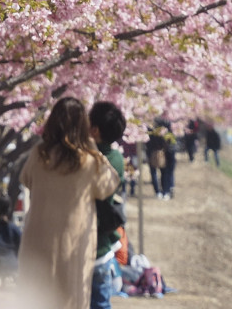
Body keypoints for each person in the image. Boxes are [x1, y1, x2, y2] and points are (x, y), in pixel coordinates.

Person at [18, 96, 121, 309]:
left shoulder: (39, 153)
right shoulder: (89, 160)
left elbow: (26, 179)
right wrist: (91, 145)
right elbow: (110, 184)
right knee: (70, 301)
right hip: (73, 243)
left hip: (37, 240)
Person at [89, 101, 127, 309]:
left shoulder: (86, 159)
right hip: (103, 248)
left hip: (84, 245)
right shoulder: (117, 159)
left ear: (94, 129)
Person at [145, 126, 169, 199]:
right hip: (160, 153)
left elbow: (147, 143)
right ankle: (164, 191)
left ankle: (158, 192)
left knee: (154, 173)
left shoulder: (149, 130)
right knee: (163, 173)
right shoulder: (161, 130)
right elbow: (165, 142)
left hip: (151, 153)